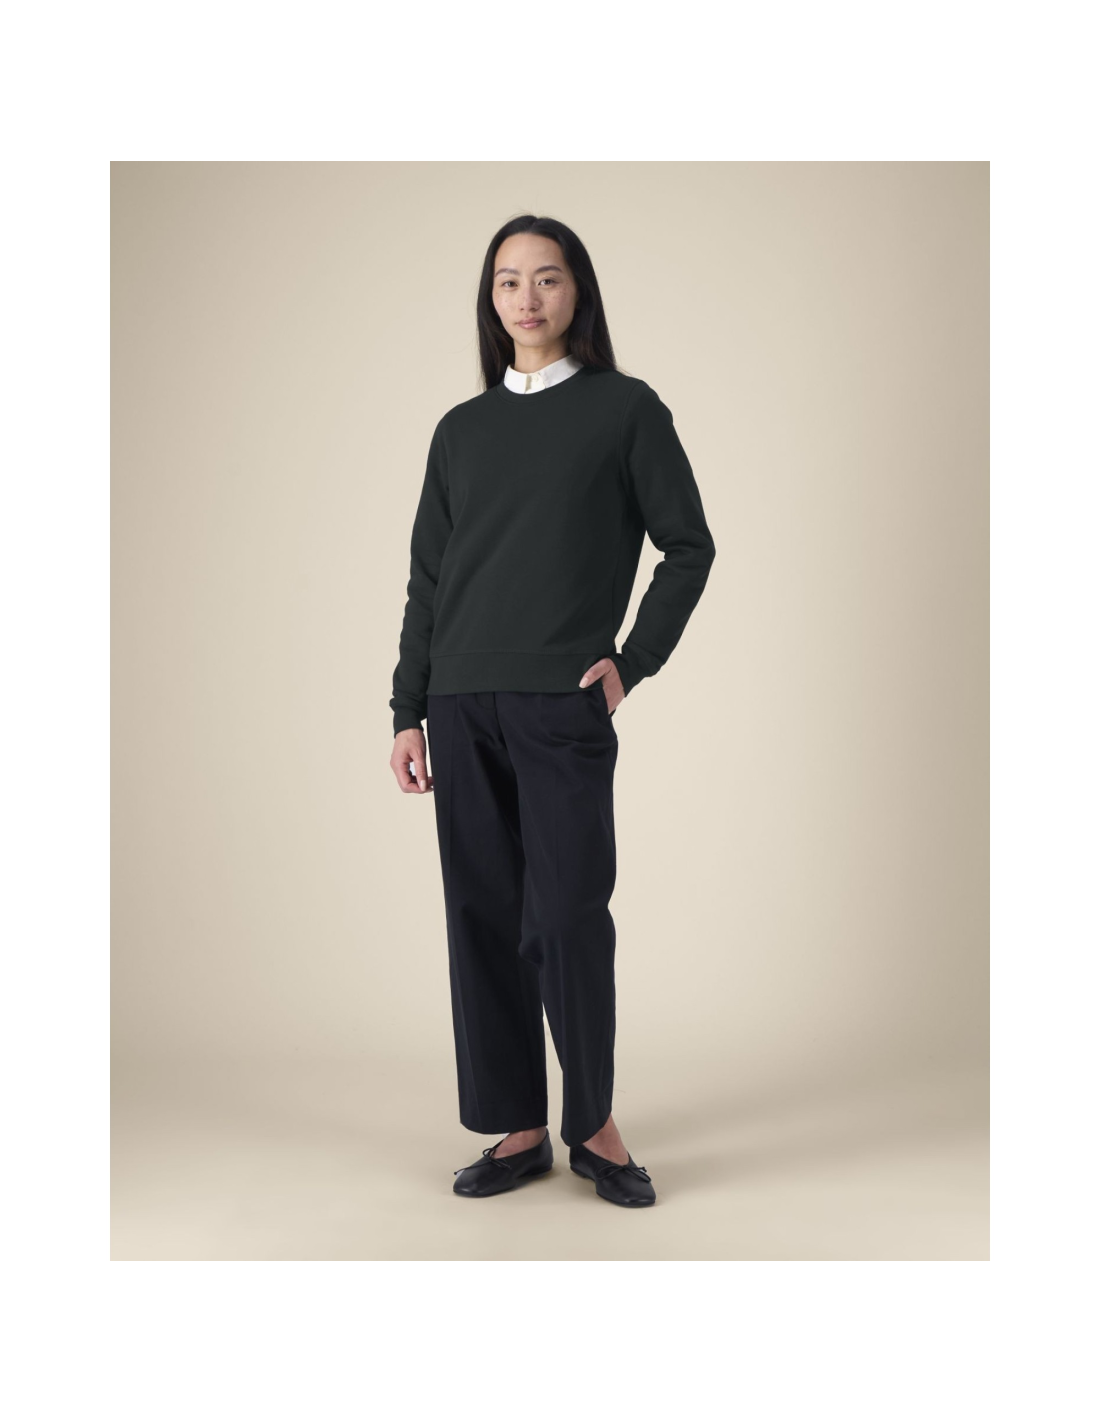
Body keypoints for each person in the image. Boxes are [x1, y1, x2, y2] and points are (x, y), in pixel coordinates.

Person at [388, 215, 716, 1208]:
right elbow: (428, 579)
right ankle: (518, 1127)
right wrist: (407, 709)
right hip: (459, 700)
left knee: (567, 914)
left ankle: (594, 1126)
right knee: (481, 914)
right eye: (507, 282)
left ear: (578, 291)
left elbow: (688, 546)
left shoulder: (624, 410)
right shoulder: (460, 429)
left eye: (547, 278)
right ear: (489, 301)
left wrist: (631, 662)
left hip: (559, 703)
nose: (526, 298)